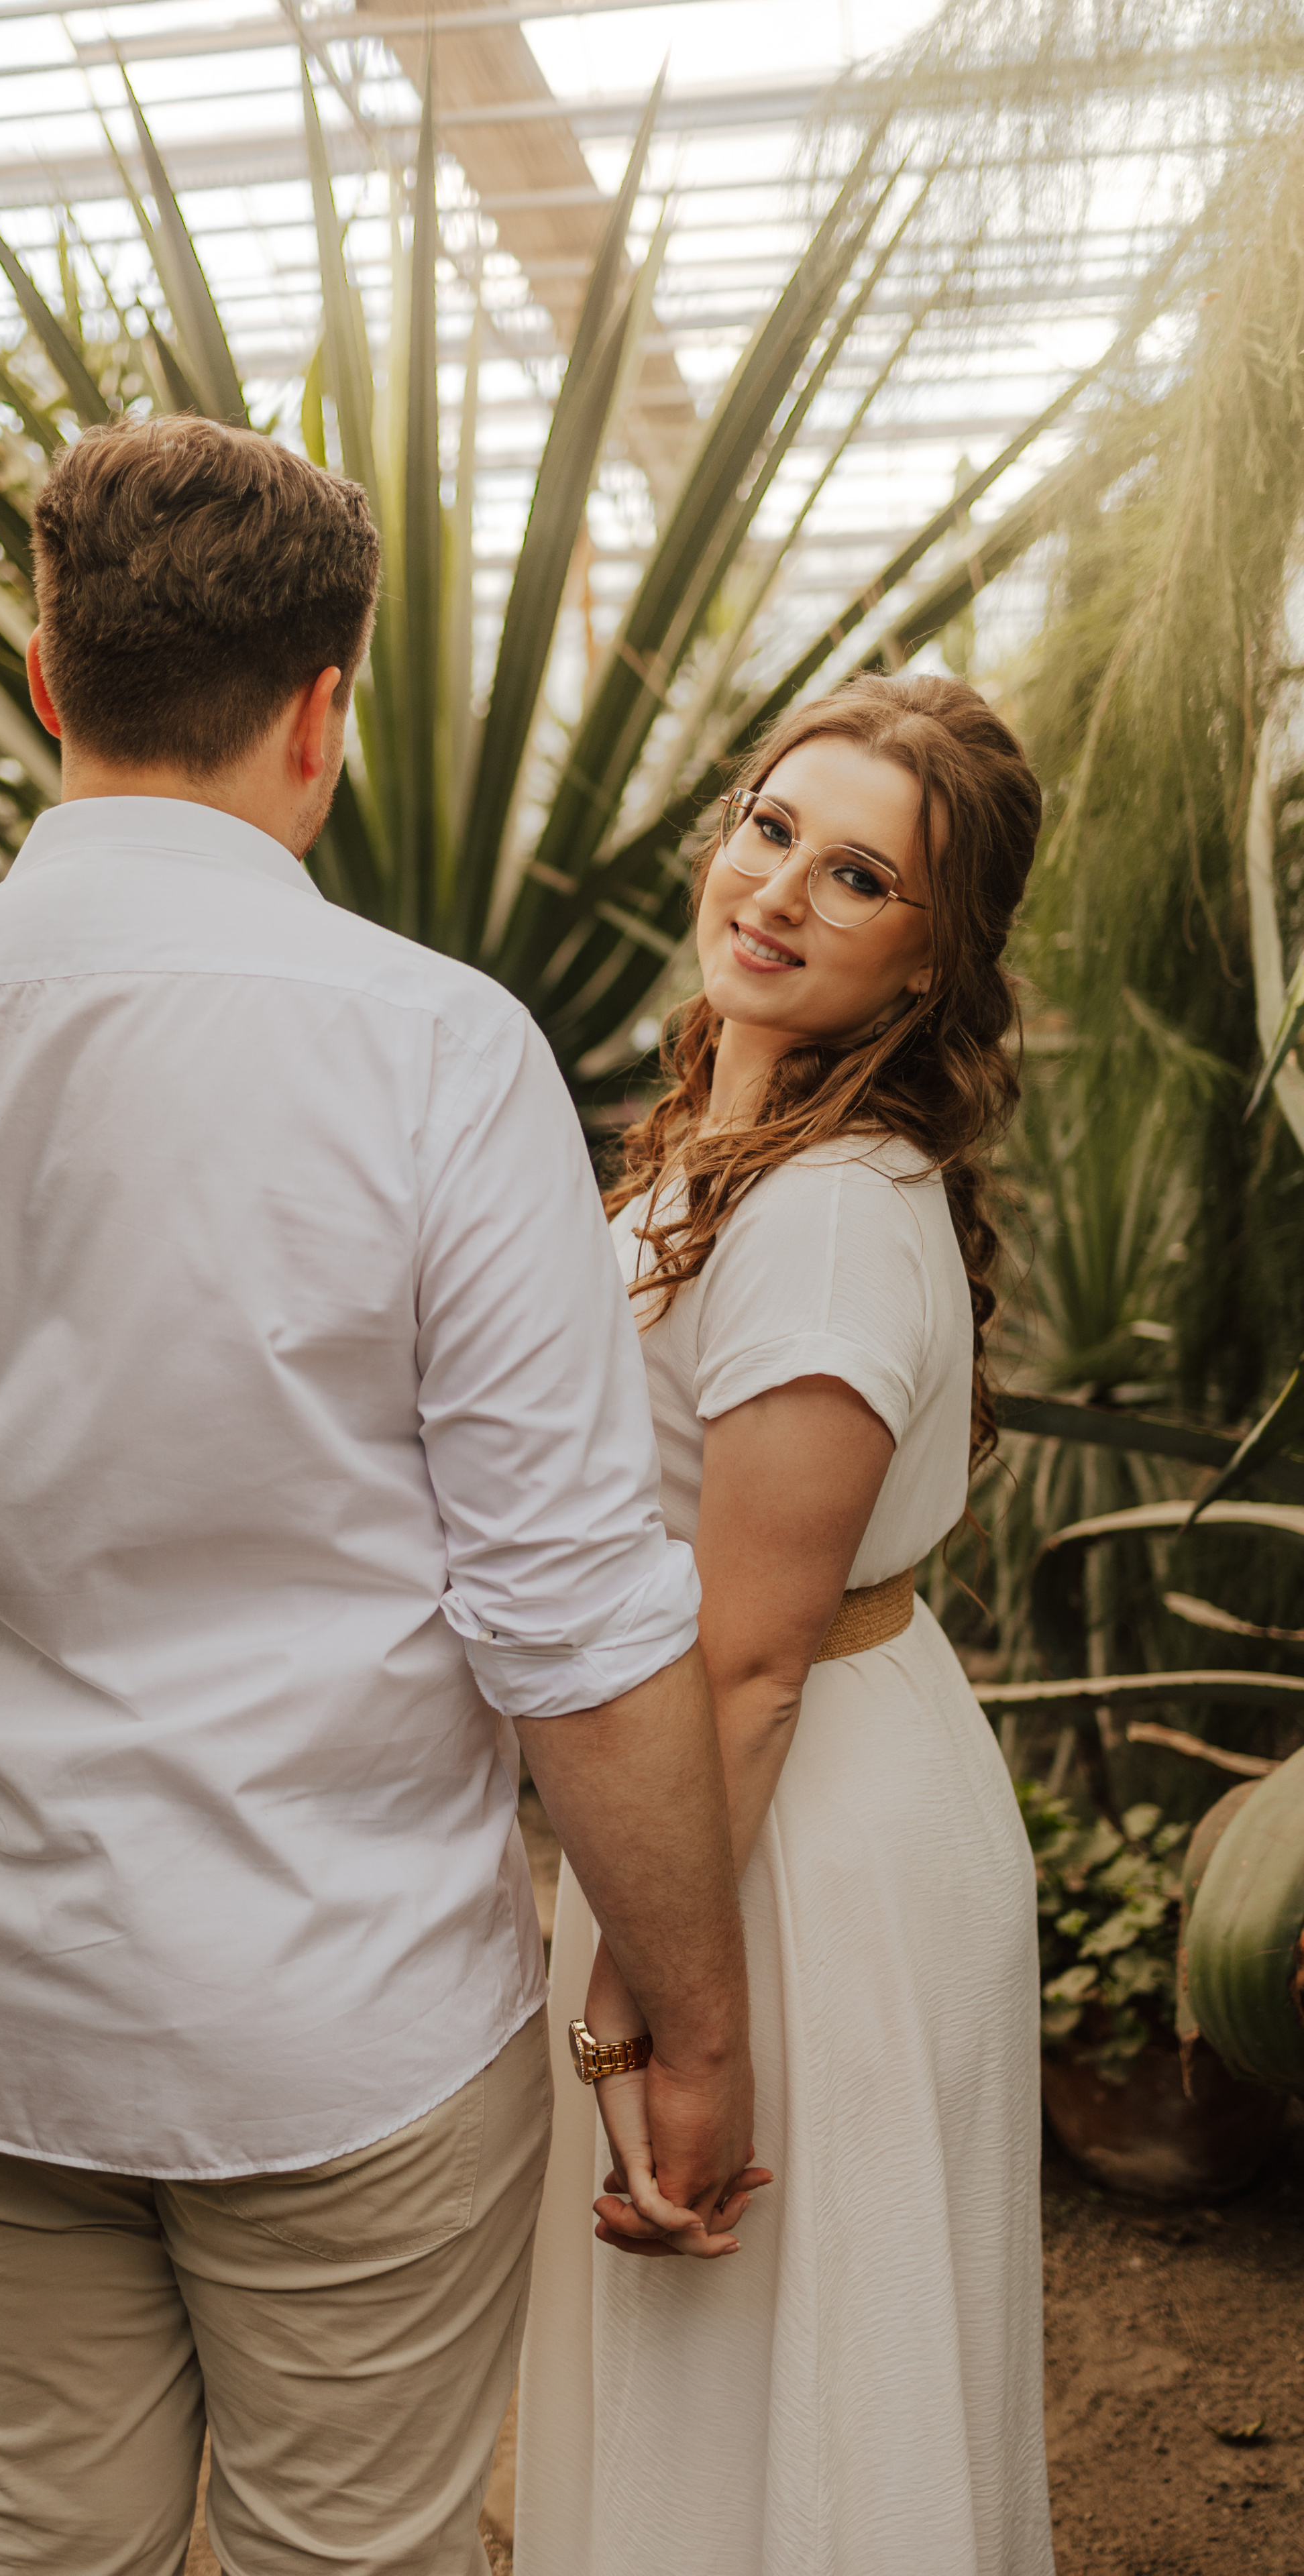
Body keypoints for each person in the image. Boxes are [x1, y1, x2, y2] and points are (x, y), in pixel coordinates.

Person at [0, 414, 759, 2576]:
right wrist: (687, 2031)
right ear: (326, 709)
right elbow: (575, 1621)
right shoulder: (438, 1052)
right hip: (331, 2014)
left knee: (39, 2532)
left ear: (48, 677)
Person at [514, 674, 1054, 2576]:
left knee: (773, 2389)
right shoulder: (710, 1136)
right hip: (721, 1793)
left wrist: (651, 1998)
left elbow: (750, 1659)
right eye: (770, 830)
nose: (779, 892)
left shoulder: (821, 1210)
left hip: (790, 1833)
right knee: (740, 2393)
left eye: (859, 879)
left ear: (929, 966)